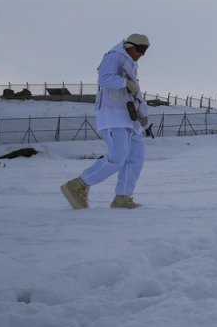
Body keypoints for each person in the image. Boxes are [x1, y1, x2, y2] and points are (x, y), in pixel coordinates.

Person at [60, 34, 151, 210]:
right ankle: (78, 184)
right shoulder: (114, 56)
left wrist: (143, 115)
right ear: (130, 46)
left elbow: (134, 93)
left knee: (135, 157)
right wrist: (125, 82)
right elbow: (104, 78)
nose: (142, 54)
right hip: (113, 116)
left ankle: (123, 197)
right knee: (117, 157)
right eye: (141, 49)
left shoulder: (131, 63)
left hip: (130, 119)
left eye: (145, 50)